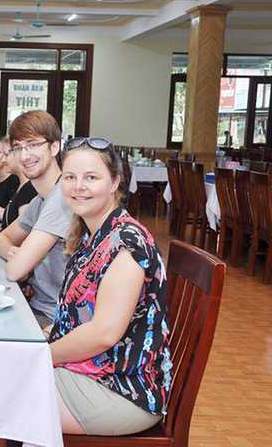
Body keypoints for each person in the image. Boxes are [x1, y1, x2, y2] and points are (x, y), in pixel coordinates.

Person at [50, 136, 170, 436]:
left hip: (122, 391)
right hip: (88, 371)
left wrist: (41, 354)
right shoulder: (96, 233)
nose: (79, 186)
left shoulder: (127, 244)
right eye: (70, 177)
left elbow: (104, 334)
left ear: (115, 183)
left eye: (91, 177)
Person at [0, 111, 72, 329]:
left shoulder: (63, 197)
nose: (25, 155)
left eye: (33, 145)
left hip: (56, 319)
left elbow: (15, 271)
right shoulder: (41, 199)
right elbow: (5, 236)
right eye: (18, 148)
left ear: (55, 147)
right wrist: (13, 251)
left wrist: (21, 262)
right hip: (38, 306)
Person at [0, 148, 37, 230]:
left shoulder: (28, 189)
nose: (3, 160)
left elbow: (24, 229)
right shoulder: (20, 185)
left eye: (7, 155)